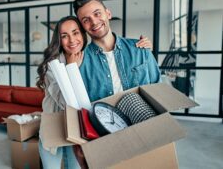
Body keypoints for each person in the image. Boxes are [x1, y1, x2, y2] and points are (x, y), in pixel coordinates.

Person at [36, 15, 153, 168]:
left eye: (75, 33)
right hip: (54, 128)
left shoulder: (91, 58)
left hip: (79, 130)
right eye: (64, 36)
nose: (71, 40)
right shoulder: (53, 66)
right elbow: (67, 103)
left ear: (83, 34)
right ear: (59, 40)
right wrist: (73, 68)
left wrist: (142, 49)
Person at [73, 0, 161, 102]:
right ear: (82, 26)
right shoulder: (81, 62)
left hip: (145, 118)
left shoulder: (140, 49)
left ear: (108, 14)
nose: (94, 22)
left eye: (97, 14)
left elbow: (158, 91)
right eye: (86, 20)